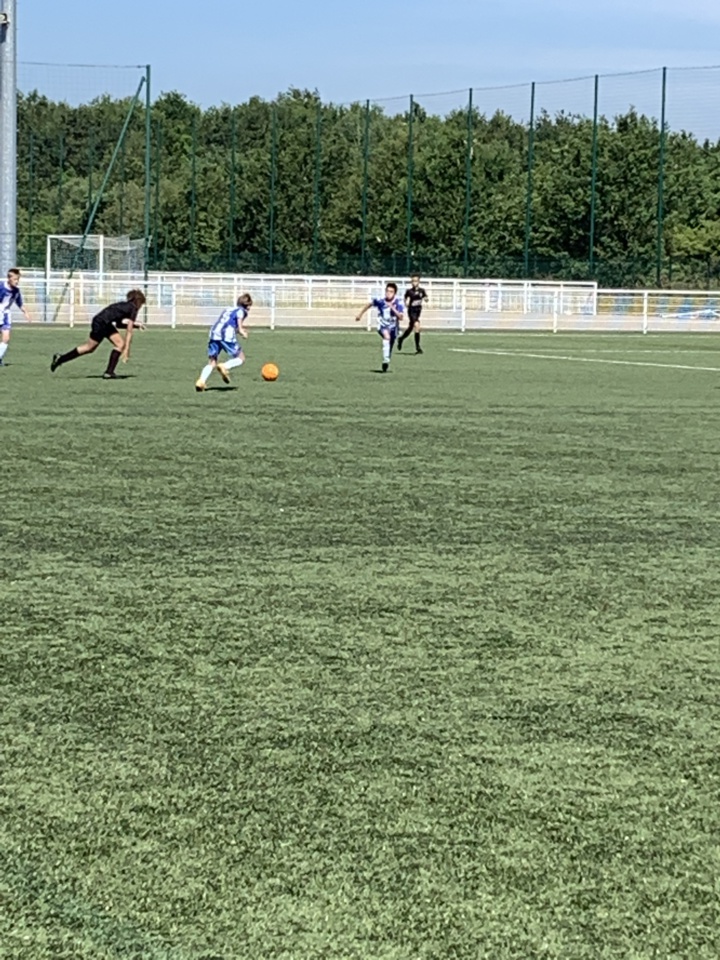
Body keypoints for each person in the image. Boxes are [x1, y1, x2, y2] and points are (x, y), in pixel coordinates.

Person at [50, 289, 146, 378]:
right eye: (141, 304)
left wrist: (136, 326)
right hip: (102, 323)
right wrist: (127, 350)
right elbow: (129, 331)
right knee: (97, 347)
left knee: (94, 347)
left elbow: (119, 324)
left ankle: (60, 359)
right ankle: (108, 372)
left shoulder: (123, 306)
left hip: (101, 322)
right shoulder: (133, 308)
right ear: (138, 302)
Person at [195, 294, 252, 392]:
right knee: (241, 357)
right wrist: (242, 331)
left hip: (214, 333)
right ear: (248, 305)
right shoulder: (242, 311)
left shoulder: (229, 309)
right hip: (226, 335)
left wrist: (239, 330)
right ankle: (225, 366)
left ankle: (201, 381)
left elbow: (227, 321)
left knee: (212, 361)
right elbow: (238, 322)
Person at [355, 283, 404, 373]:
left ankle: (386, 361)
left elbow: (401, 317)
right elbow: (369, 304)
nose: (388, 293)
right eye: (387, 291)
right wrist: (360, 314)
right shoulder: (381, 301)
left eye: (391, 292)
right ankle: (385, 359)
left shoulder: (398, 303)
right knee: (387, 337)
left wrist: (392, 308)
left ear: (395, 293)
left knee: (390, 344)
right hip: (382, 326)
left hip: (393, 328)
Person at [0, 268, 33, 366]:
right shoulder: (1, 287)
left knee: (6, 338)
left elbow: (19, 303)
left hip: (5, 314)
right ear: (9, 279)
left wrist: (26, 312)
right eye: (15, 279)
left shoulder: (16, 291)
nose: (17, 281)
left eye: (18, 279)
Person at [398, 273, 428, 354]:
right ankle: (418, 348)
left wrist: (425, 298)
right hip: (411, 311)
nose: (414, 283)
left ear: (419, 282)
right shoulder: (409, 291)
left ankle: (401, 339)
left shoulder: (422, 290)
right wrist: (406, 303)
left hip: (418, 311)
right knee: (417, 326)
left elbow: (426, 297)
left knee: (411, 328)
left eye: (416, 281)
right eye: (413, 281)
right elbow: (405, 299)